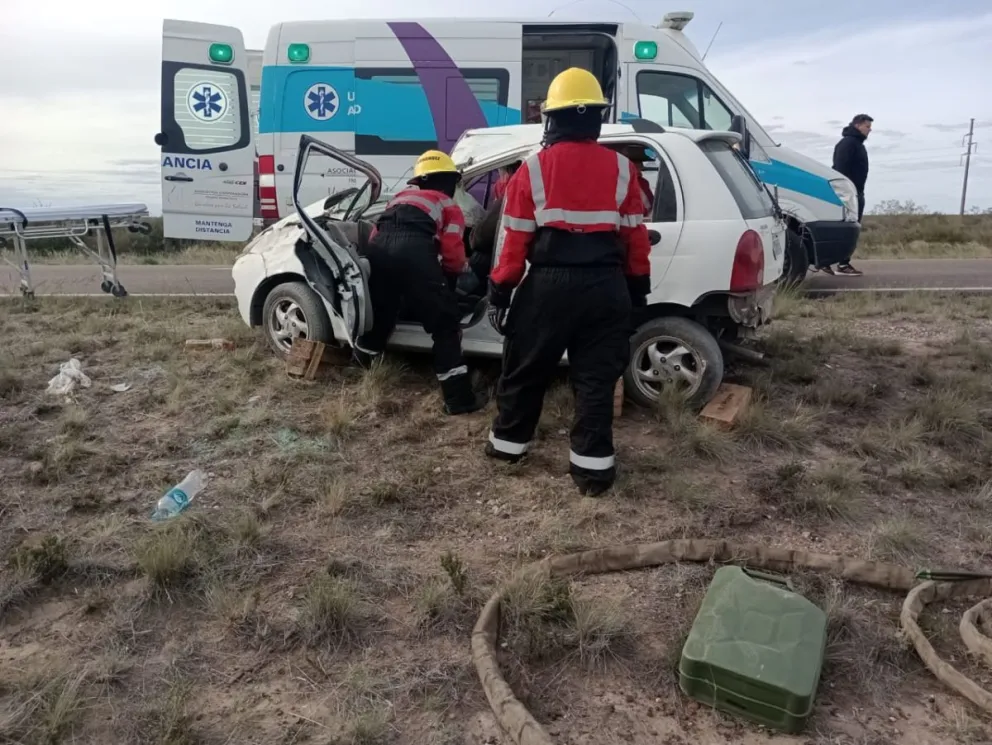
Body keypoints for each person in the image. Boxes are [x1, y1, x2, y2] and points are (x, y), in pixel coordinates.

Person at [483, 67, 652, 496]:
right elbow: (634, 237)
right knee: (595, 380)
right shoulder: (622, 169)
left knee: (525, 369)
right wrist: (637, 289)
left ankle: (509, 447)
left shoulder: (532, 169)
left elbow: (513, 239)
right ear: (596, 117)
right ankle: (593, 471)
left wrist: (501, 289)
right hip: (606, 285)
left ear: (551, 118)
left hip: (547, 286)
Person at [355, 150, 487, 415]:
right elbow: (451, 251)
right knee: (445, 325)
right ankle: (459, 401)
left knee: (382, 313)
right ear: (449, 181)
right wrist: (448, 281)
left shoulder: (399, 198)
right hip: (414, 253)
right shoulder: (448, 205)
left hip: (378, 253)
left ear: (420, 181)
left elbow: (376, 233)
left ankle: (360, 367)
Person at [825, 113, 873, 276]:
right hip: (850, 193)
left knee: (849, 227)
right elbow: (840, 169)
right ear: (858, 125)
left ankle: (831, 262)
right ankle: (840, 264)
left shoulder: (856, 143)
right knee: (848, 228)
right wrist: (848, 192)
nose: (870, 130)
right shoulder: (848, 144)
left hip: (855, 191)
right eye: (867, 126)